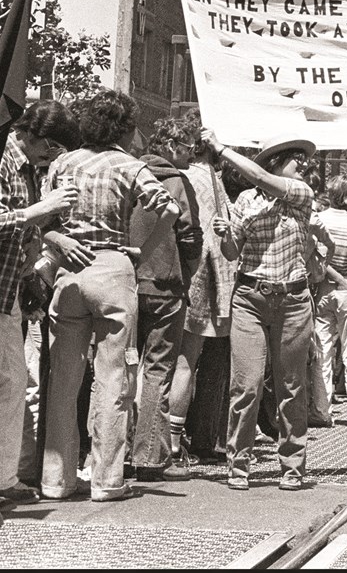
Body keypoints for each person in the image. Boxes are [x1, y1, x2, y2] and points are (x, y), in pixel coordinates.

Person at [42, 90, 180, 502]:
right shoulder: (130, 166)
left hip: (69, 270)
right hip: (113, 269)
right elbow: (168, 209)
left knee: (63, 381)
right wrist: (142, 251)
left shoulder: (62, 163)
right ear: (123, 127)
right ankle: (105, 480)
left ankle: (57, 479)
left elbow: (42, 219)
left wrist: (59, 238)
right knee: (111, 380)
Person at [206, 129, 317, 492]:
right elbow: (232, 253)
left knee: (291, 386)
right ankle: (238, 464)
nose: (303, 165)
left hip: (293, 301)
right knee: (247, 385)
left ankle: (293, 465)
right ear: (275, 162)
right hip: (251, 298)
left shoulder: (300, 194)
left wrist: (221, 149)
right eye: (295, 159)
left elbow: (262, 179)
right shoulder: (244, 202)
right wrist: (227, 234)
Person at [0, 101, 79, 508]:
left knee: (13, 384)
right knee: (12, 383)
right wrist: (37, 211)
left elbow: (23, 232)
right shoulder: (2, 158)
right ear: (36, 136)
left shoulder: (29, 167)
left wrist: (31, 275)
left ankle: (7, 477)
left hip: (9, 288)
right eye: (51, 148)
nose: (52, 157)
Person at [129, 117, 204, 482]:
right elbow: (190, 235)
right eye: (189, 146)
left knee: (120, 372)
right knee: (158, 370)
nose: (193, 153)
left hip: (127, 282)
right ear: (172, 145)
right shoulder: (176, 181)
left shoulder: (131, 171)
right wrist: (186, 273)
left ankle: (113, 456)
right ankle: (150, 459)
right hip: (165, 287)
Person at [170, 135, 239, 464]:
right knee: (193, 363)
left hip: (185, 277)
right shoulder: (213, 183)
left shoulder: (184, 177)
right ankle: (185, 442)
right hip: (208, 283)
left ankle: (170, 439)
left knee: (173, 364)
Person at [312, 176, 347, 427]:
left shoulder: (320, 219)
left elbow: (315, 258)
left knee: (322, 353)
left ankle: (323, 411)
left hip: (322, 290)